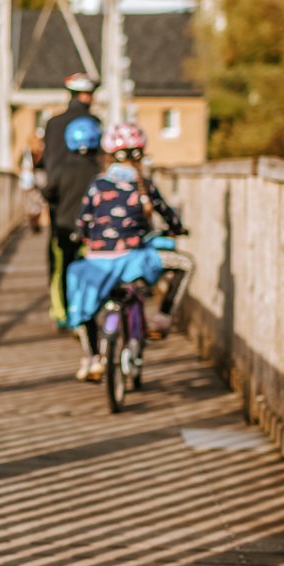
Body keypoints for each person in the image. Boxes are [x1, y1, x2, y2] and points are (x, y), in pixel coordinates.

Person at [66, 122, 195, 381]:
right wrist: (178, 229)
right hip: (134, 260)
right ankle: (162, 319)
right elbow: (168, 216)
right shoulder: (143, 184)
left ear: (110, 154)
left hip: (98, 263)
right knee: (185, 264)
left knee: (82, 303)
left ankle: (93, 359)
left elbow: (82, 222)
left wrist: (83, 236)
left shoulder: (98, 184)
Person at [39, 73, 103, 326]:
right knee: (89, 255)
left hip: (60, 201)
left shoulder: (53, 123)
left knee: (59, 257)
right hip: (90, 200)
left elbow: (45, 161)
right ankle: (86, 308)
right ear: (87, 95)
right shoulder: (94, 122)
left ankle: (61, 310)